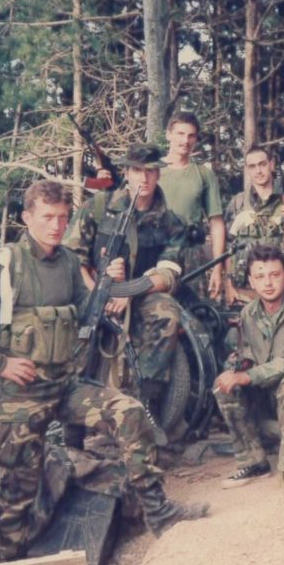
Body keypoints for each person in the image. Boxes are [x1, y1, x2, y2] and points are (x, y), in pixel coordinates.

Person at [0, 180, 207, 560]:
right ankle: (6, 550)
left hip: (64, 387)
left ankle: (159, 512)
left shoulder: (68, 263)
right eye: (47, 217)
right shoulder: (7, 263)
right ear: (27, 217)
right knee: (18, 496)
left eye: (62, 217)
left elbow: (89, 309)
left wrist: (109, 283)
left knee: (129, 412)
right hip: (20, 397)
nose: (56, 226)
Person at [63, 145, 188, 411]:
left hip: (141, 295)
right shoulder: (98, 207)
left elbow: (168, 274)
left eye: (150, 171)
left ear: (159, 174)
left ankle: (145, 397)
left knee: (167, 313)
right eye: (137, 171)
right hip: (92, 289)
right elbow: (72, 258)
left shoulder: (171, 223)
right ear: (127, 173)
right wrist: (98, 292)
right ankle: (70, 406)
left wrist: (128, 292)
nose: (144, 178)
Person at [213, 244, 284, 498]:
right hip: (269, 397)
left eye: (275, 275)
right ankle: (253, 463)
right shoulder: (249, 313)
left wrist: (248, 376)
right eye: (260, 276)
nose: (268, 283)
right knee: (223, 385)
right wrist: (234, 369)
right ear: (251, 282)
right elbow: (245, 355)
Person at [159, 112, 227, 300]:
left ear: (196, 139)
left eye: (191, 136)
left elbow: (216, 223)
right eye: (180, 134)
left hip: (191, 256)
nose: (185, 141)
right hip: (155, 251)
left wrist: (217, 268)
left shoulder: (204, 174)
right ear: (169, 134)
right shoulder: (151, 170)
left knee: (194, 311)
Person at [223, 144, 284, 304]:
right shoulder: (237, 203)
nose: (258, 171)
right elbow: (228, 248)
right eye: (252, 166)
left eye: (262, 164)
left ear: (272, 164)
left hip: (283, 289)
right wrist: (229, 284)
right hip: (245, 291)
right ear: (247, 170)